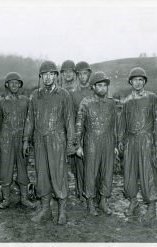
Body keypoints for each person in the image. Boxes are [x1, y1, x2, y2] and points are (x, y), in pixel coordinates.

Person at [23, 61, 75, 225]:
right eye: (44, 74)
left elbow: (70, 121)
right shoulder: (34, 96)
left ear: (55, 76)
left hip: (57, 140)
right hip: (39, 140)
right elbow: (30, 119)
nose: (47, 77)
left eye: (51, 74)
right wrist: (26, 139)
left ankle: (62, 211)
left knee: (58, 174)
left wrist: (70, 144)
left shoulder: (64, 95)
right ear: (41, 76)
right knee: (42, 174)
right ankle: (46, 210)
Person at [118, 67, 157, 221]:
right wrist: (120, 141)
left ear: (144, 81)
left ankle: (151, 206)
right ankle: (133, 201)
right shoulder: (127, 101)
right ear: (130, 82)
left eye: (140, 80)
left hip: (146, 140)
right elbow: (122, 123)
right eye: (135, 80)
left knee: (147, 172)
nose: (137, 82)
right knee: (129, 172)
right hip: (130, 140)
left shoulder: (152, 98)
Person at [0, 72, 36, 209]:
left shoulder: (26, 101)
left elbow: (31, 121)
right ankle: (6, 199)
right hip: (6, 140)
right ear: (7, 85)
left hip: (22, 140)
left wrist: (30, 139)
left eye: (17, 83)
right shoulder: (1, 103)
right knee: (5, 170)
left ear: (20, 85)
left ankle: (24, 199)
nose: (14, 85)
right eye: (11, 82)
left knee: (23, 169)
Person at [76, 71, 118, 216]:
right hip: (91, 141)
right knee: (91, 172)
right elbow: (79, 124)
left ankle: (104, 202)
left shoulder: (112, 103)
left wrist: (116, 144)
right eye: (99, 85)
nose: (102, 88)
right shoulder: (86, 103)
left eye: (104, 86)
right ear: (93, 87)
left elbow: (115, 125)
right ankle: (90, 203)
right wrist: (78, 145)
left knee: (107, 172)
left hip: (108, 141)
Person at [69, 61, 93, 202]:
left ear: (89, 74)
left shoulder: (94, 90)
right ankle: (80, 191)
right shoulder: (72, 93)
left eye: (86, 73)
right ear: (77, 76)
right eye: (80, 74)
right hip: (79, 132)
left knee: (93, 163)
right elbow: (70, 116)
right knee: (80, 163)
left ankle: (91, 191)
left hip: (93, 131)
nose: (83, 77)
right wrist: (73, 138)